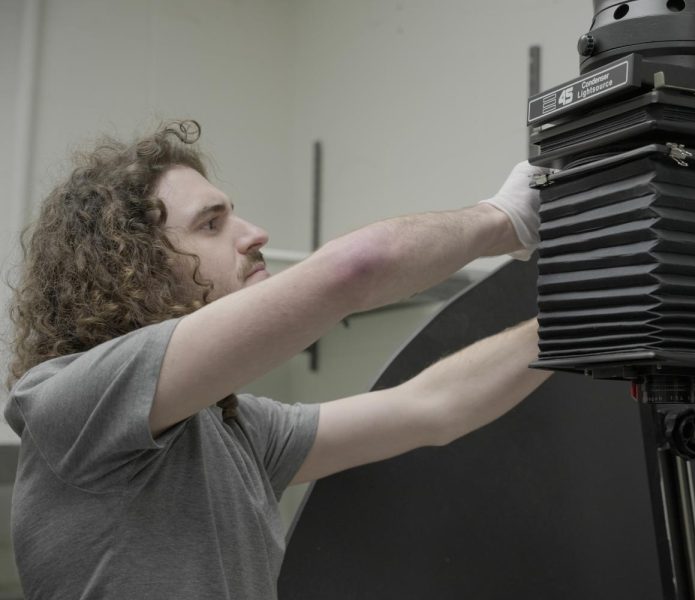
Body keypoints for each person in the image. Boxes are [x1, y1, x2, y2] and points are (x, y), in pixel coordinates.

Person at [4, 120, 551, 599]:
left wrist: (581, 311)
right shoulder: (71, 403)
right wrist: (504, 219)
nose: (255, 234)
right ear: (134, 270)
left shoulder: (230, 430)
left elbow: (434, 406)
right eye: (211, 224)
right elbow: (351, 272)